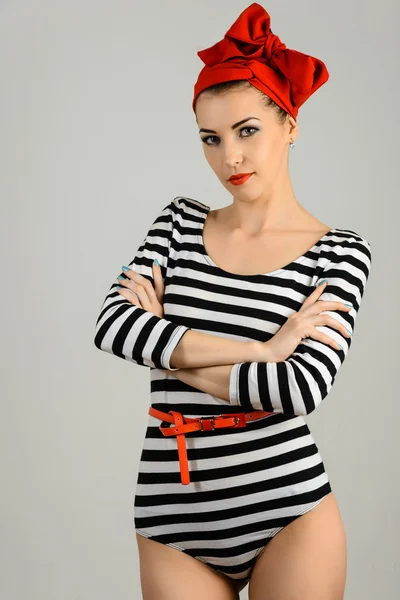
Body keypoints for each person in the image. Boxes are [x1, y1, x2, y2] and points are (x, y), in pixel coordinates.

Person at [94, 4, 371, 599]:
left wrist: (164, 341)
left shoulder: (339, 254)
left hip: (288, 509)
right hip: (173, 514)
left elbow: (298, 390)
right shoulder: (175, 223)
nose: (230, 159)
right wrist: (262, 348)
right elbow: (113, 327)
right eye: (210, 139)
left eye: (248, 131)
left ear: (290, 124)